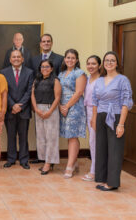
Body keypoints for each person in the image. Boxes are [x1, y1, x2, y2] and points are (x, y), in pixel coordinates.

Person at [92, 51, 133, 191]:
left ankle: (112, 182)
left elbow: (126, 103)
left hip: (115, 116)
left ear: (116, 63)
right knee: (102, 149)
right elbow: (94, 101)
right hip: (101, 116)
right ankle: (103, 179)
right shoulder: (99, 80)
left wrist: (121, 124)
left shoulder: (123, 80)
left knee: (115, 150)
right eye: (106, 60)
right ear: (103, 63)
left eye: (112, 60)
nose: (109, 63)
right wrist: (94, 118)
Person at [1, 50, 34, 169]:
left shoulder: (30, 72)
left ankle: (24, 159)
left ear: (22, 59)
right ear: (10, 59)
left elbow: (29, 91)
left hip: (23, 110)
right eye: (13, 57)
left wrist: (20, 105)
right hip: (10, 110)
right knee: (10, 136)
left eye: (18, 57)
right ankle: (11, 159)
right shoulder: (3, 73)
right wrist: (12, 105)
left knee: (23, 136)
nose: (16, 59)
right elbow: (4, 91)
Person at [58, 49, 87, 178]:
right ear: (64, 59)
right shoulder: (61, 74)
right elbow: (57, 91)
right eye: (68, 57)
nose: (70, 60)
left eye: (73, 58)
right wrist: (60, 106)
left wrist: (67, 106)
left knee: (73, 136)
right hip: (62, 106)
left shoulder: (79, 73)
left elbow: (79, 92)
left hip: (75, 107)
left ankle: (69, 166)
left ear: (77, 60)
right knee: (69, 135)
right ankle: (74, 162)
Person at [31, 60, 61, 175]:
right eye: (42, 66)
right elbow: (32, 95)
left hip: (51, 110)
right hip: (38, 110)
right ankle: (45, 159)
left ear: (52, 68)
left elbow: (57, 97)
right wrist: (36, 109)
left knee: (51, 138)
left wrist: (49, 111)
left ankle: (49, 163)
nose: (45, 68)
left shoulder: (55, 80)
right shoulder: (36, 80)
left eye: (47, 66)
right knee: (41, 137)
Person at [82, 55, 101, 182]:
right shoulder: (87, 78)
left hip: (98, 113)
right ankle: (96, 169)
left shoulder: (101, 80)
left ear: (99, 65)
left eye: (93, 64)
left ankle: (94, 171)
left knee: (95, 142)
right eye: (88, 63)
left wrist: (94, 117)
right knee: (92, 142)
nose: (90, 66)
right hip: (87, 111)